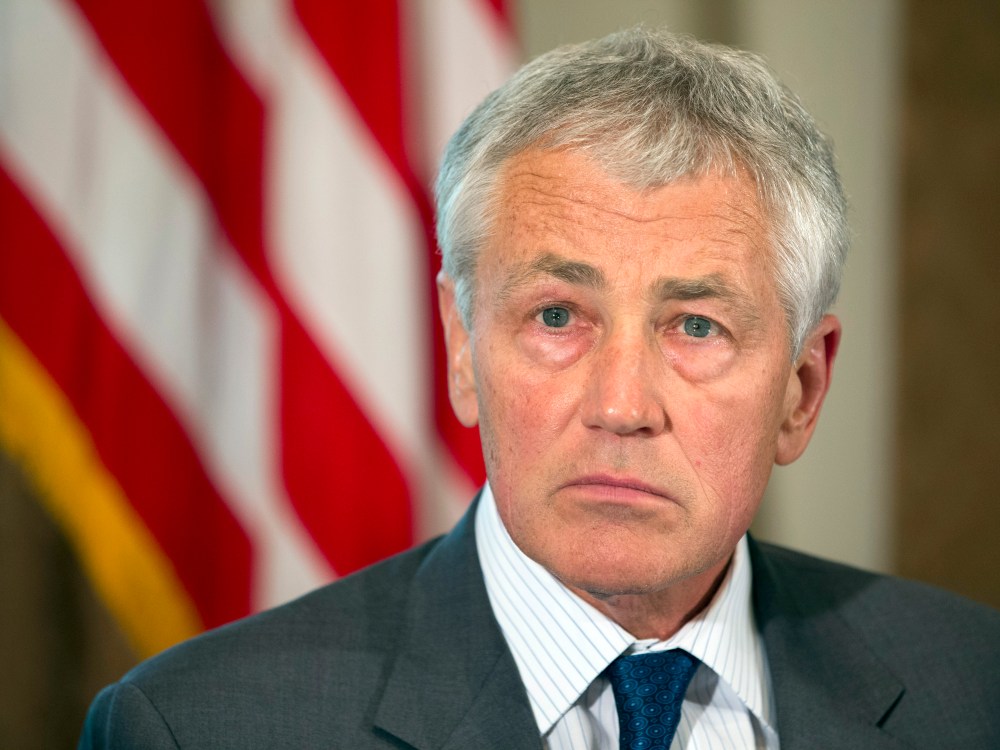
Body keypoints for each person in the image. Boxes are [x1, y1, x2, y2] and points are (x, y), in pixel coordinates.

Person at [80, 27, 999, 750]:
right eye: (557, 316)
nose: (621, 407)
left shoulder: (977, 691)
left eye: (696, 326)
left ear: (801, 390)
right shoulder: (200, 729)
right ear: (463, 351)